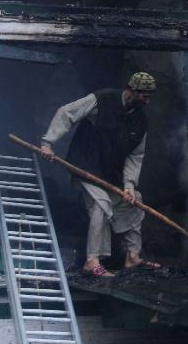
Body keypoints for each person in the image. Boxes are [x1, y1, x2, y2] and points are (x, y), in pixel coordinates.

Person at [40, 71, 159, 277]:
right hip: (86, 166)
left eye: (149, 97)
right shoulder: (102, 100)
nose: (147, 101)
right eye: (144, 96)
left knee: (135, 201)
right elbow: (67, 112)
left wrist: (129, 185)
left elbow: (135, 156)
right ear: (130, 90)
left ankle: (132, 256)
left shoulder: (140, 121)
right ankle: (92, 260)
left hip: (110, 174)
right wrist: (48, 143)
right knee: (101, 204)